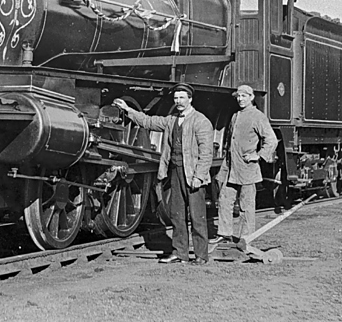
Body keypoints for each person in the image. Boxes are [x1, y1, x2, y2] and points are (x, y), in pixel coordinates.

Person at [113, 83, 213, 265]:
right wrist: (128, 110)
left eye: (182, 98)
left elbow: (206, 153)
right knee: (177, 214)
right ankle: (180, 252)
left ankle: (201, 255)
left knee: (197, 217)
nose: (179, 101)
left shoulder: (201, 121)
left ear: (190, 99)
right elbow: (148, 122)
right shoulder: (171, 120)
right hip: (176, 171)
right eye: (176, 98)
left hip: (193, 174)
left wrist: (199, 176)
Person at [211, 84, 279, 244]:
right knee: (225, 199)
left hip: (247, 167)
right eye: (238, 97)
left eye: (244, 96)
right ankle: (224, 233)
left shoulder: (258, 117)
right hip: (230, 166)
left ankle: (246, 238)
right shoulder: (235, 115)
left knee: (246, 204)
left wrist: (258, 155)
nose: (240, 99)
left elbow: (271, 140)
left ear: (251, 97)